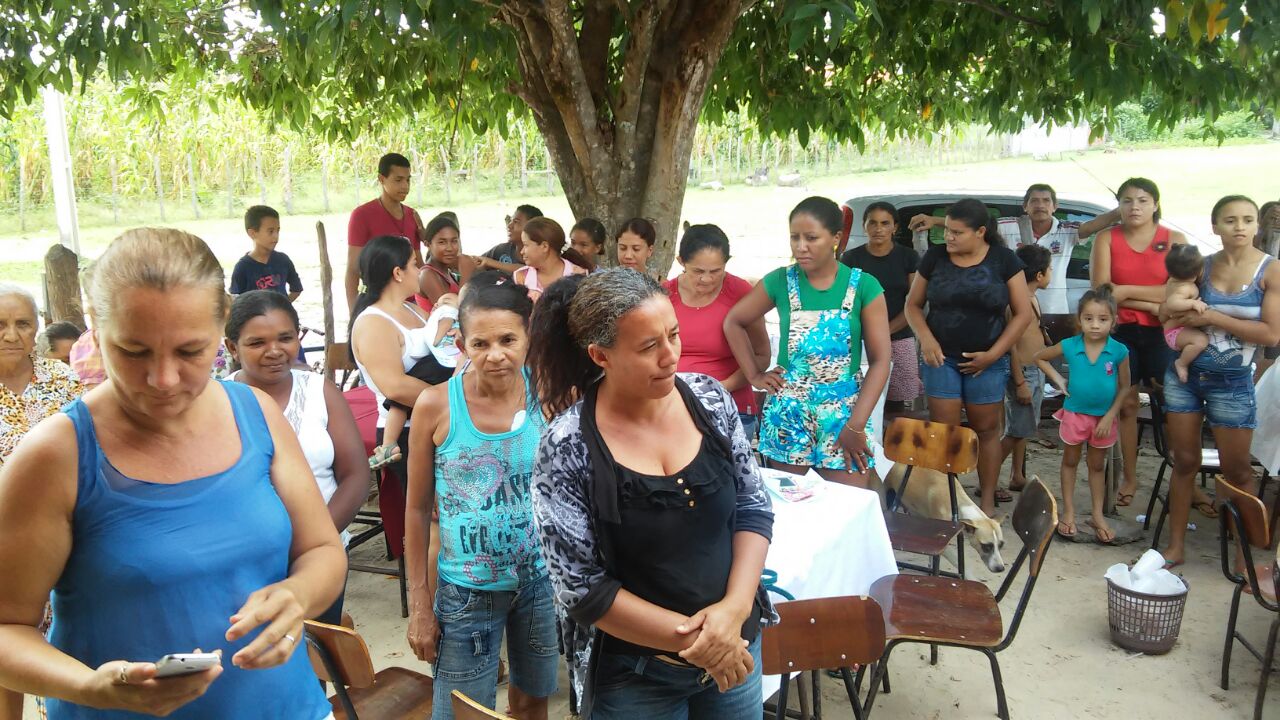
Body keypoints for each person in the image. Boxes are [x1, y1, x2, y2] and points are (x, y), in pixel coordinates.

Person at [0, 228, 344, 719]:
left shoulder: (257, 414)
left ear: (222, 326)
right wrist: (90, 687)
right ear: (95, 326)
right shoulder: (56, 456)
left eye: (190, 351)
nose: (163, 379)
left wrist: (298, 594)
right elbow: (8, 628)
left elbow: (322, 550)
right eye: (133, 351)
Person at [527, 269, 775, 719]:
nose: (670, 356)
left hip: (736, 649)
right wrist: (704, 642)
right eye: (648, 347)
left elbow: (752, 507)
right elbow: (581, 588)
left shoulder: (710, 400)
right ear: (600, 355)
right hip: (636, 680)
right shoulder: (567, 446)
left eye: (674, 335)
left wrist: (735, 610)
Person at [403, 280, 556, 720]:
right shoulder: (436, 406)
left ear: (528, 338)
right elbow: (416, 509)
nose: (496, 355)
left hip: (539, 583)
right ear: (461, 345)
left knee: (533, 701)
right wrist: (420, 603)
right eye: (480, 343)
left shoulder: (547, 393)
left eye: (508, 340)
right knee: (462, 711)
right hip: (466, 592)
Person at [725, 196, 891, 487]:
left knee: (846, 504)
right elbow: (734, 321)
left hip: (845, 413)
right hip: (789, 412)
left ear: (836, 238)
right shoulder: (780, 281)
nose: (801, 247)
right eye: (795, 237)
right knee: (789, 501)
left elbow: (880, 362)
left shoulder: (864, 286)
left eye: (811, 238)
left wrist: (855, 426)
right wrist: (754, 375)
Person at [225, 290, 370, 624]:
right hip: (246, 562)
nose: (274, 350)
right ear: (232, 347)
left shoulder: (320, 392)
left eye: (285, 338)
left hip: (321, 560)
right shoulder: (219, 402)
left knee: (316, 645)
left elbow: (355, 476)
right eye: (257, 342)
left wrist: (314, 544)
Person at [1159, 195, 1280, 566]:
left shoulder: (1271, 270)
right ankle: (1175, 547)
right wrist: (1175, 310)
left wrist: (1211, 317)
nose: (1239, 227)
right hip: (1186, 377)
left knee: (1238, 470)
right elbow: (1165, 309)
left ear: (1257, 225)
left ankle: (1243, 556)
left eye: (1247, 219)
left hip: (1233, 382)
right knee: (1184, 461)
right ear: (1215, 226)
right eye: (1230, 220)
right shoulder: (1201, 266)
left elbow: (1271, 334)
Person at [904, 198, 1034, 515]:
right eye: (947, 230)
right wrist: (926, 339)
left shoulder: (1004, 260)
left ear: (980, 232)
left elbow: (1022, 314)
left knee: (987, 430)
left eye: (957, 232)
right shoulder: (935, 257)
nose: (948, 237)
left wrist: (993, 355)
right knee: (945, 432)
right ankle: (947, 500)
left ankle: (986, 501)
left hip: (988, 361)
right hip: (941, 359)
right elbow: (912, 305)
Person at [0, 287, 83, 719]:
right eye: (0, 325)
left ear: (38, 328)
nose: (11, 335)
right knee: (8, 635)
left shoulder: (62, 380)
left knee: (60, 637)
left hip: (63, 528)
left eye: (22, 323)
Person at [1088, 177, 1194, 511]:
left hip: (1165, 331)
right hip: (1121, 331)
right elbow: (1103, 291)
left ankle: (1185, 476)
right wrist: (1153, 301)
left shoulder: (1174, 240)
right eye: (1127, 200)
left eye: (1143, 200)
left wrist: (1126, 292)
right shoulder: (1107, 238)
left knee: (1174, 403)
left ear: (1155, 204)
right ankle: (1129, 477)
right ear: (1119, 205)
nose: (1135, 207)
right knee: (1128, 404)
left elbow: (1181, 290)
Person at [349, 236, 451, 488]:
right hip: (406, 431)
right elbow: (394, 387)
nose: (420, 270)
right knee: (429, 507)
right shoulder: (373, 323)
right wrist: (453, 400)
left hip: (439, 420)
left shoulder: (414, 310)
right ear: (398, 273)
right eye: (414, 264)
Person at [1035, 286, 1131, 543]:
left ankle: (1097, 514)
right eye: (1088, 318)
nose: (1095, 325)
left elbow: (1125, 387)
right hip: (1075, 414)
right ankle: (1068, 511)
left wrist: (1110, 416)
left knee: (1097, 465)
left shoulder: (1119, 351)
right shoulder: (1070, 345)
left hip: (1103, 419)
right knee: (1070, 461)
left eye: (1102, 319)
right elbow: (1040, 357)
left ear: (1114, 321)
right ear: (1079, 320)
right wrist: (1058, 380)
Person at [664, 224, 771, 439]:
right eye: (698, 271)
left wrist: (716, 389)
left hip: (731, 408)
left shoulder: (741, 293)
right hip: (673, 407)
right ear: (681, 262)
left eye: (716, 271)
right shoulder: (664, 295)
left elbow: (761, 356)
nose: (707, 279)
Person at [841, 201, 922, 416]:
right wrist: (866, 333)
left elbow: (915, 302)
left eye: (885, 223)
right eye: (873, 223)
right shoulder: (851, 259)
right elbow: (845, 302)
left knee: (895, 404)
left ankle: (891, 438)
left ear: (895, 227)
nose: (878, 229)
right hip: (860, 339)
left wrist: (885, 332)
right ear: (864, 226)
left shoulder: (909, 257)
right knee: (859, 400)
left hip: (899, 336)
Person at [369, 293, 461, 469]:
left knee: (398, 402)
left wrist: (437, 333)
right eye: (438, 301)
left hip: (437, 363)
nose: (439, 303)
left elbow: (437, 337)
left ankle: (388, 444)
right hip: (444, 366)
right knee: (400, 402)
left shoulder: (449, 313)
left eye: (446, 300)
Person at [1000, 244, 1052, 493]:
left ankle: (1017, 474)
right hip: (1024, 372)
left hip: (1035, 370)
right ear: (1040, 275)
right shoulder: (1017, 303)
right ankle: (988, 476)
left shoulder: (1031, 298)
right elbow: (1011, 345)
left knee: (1023, 428)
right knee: (1015, 430)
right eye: (1050, 269)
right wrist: (1020, 381)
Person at [345, 153, 425, 313]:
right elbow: (353, 269)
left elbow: (419, 264)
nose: (405, 186)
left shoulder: (412, 215)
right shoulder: (362, 216)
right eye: (398, 180)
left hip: (411, 304)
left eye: (408, 180)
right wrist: (354, 313)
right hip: (377, 303)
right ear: (381, 179)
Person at [229, 206, 302, 301]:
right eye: (270, 231)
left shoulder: (283, 260)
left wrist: (283, 306)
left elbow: (297, 289)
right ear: (252, 233)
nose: (276, 236)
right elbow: (235, 300)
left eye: (278, 231)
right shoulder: (243, 267)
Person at [1161, 245, 1211, 383]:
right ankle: (1182, 363)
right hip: (1176, 332)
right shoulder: (1184, 287)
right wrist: (1192, 303)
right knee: (1201, 341)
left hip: (1176, 328)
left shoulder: (1173, 280)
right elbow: (1172, 303)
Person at [513, 217, 592, 302]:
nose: (522, 251)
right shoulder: (521, 277)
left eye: (526, 245)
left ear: (544, 246)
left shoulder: (579, 275)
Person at [417, 211, 476, 313]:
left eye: (454, 241)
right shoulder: (427, 275)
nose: (450, 248)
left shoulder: (446, 270)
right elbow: (451, 312)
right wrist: (466, 273)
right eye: (442, 242)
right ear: (428, 244)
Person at [477, 205, 542, 275]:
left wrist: (492, 263)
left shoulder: (541, 255)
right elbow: (478, 261)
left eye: (516, 222)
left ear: (532, 228)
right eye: (511, 221)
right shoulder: (502, 250)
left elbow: (529, 272)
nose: (509, 226)